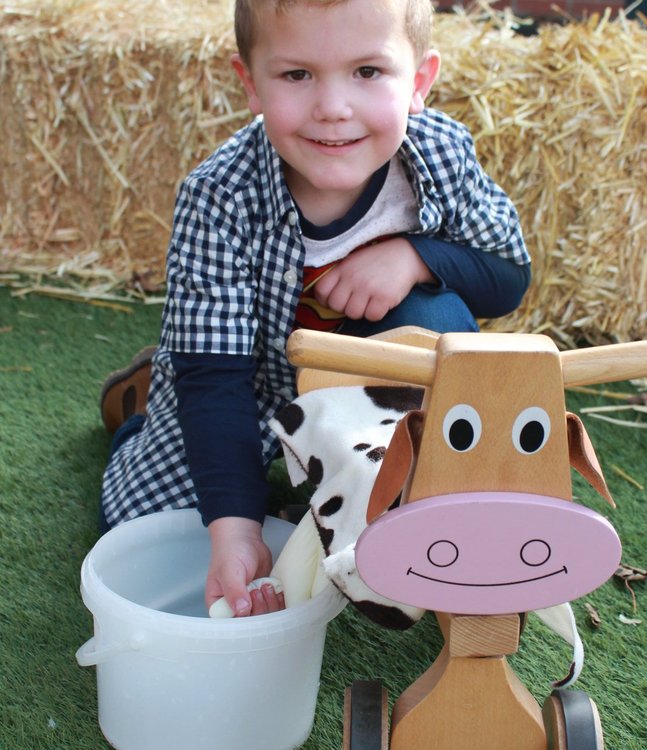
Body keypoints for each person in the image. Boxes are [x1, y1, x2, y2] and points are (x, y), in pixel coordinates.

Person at [99, 0, 531, 618]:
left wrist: (415, 257)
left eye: (367, 72)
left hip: (368, 391)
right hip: (246, 386)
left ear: (420, 81)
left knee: (440, 333)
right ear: (251, 84)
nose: (333, 107)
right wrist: (237, 528)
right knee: (153, 528)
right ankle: (140, 415)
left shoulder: (439, 155)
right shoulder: (220, 196)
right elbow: (214, 381)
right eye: (297, 75)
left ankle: (391, 487)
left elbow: (509, 278)